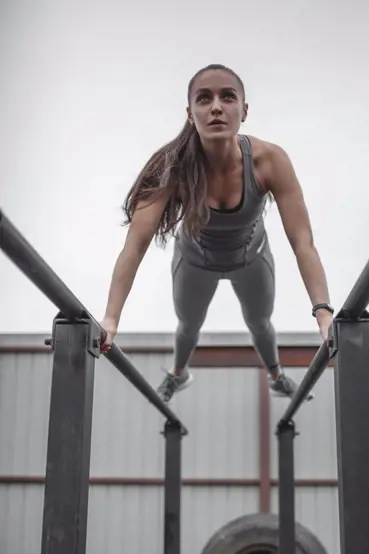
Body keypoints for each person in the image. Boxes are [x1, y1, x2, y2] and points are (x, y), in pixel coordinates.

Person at [99, 63, 334, 403]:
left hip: (251, 258)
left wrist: (324, 314)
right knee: (188, 327)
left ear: (244, 110)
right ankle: (178, 375)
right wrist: (110, 320)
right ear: (190, 113)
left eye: (228, 97)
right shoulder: (171, 166)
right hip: (195, 262)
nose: (216, 107)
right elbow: (135, 245)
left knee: (260, 322)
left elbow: (303, 242)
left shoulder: (270, 161)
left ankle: (276, 375)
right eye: (204, 99)